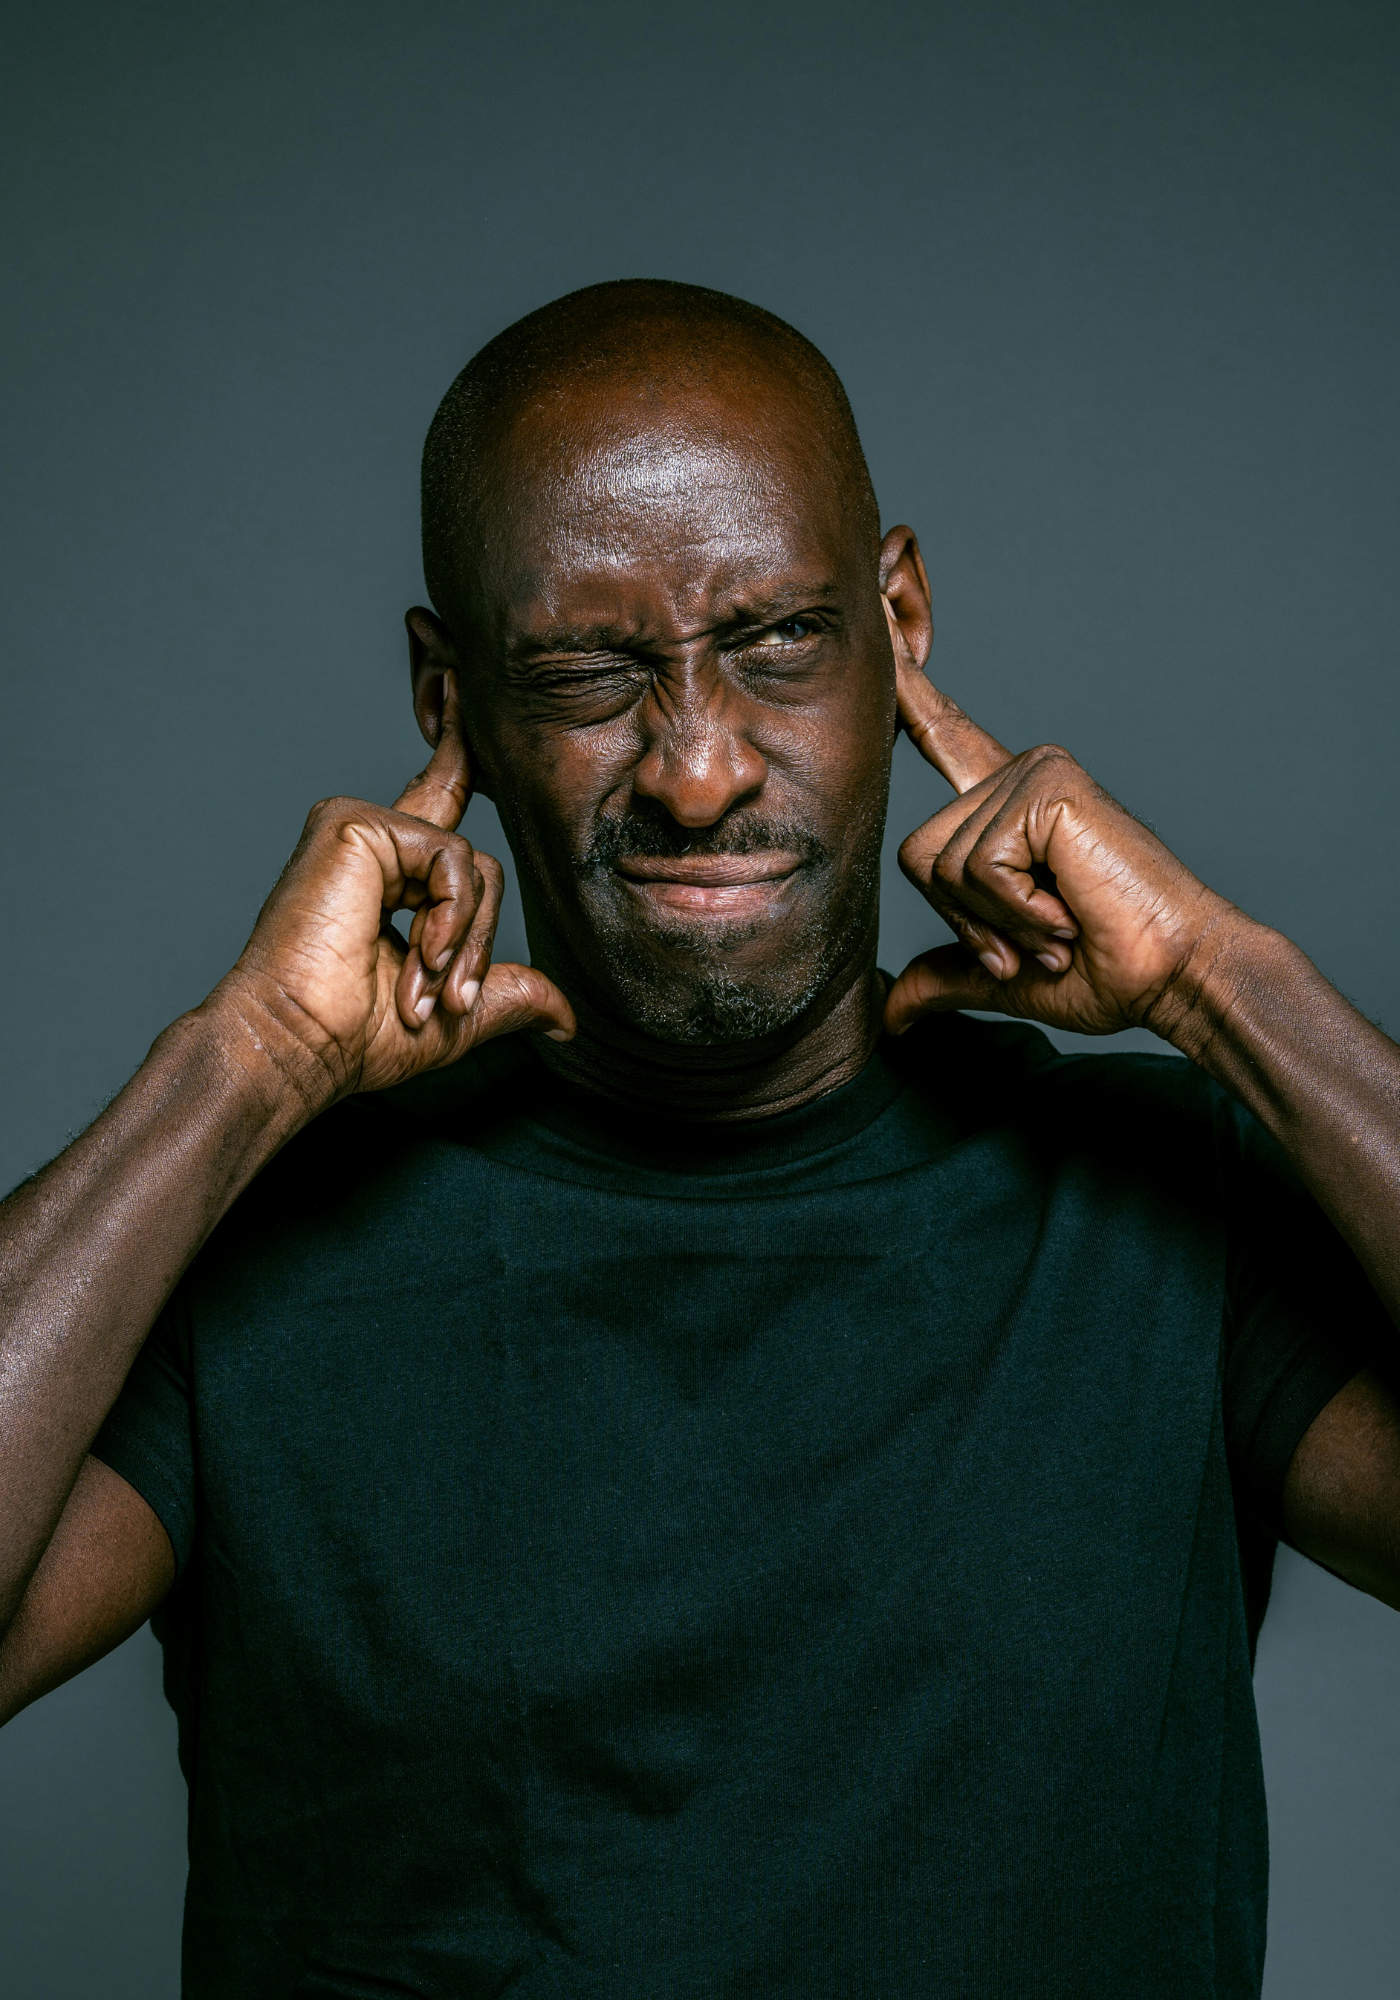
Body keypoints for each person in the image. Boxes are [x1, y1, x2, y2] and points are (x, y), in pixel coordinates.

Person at [1, 279, 1397, 1999]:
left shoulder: (1172, 1202)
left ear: (901, 617)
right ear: (451, 705)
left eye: (779, 641)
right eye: (588, 672)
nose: (695, 768)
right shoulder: (246, 1241)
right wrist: (239, 1064)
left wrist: (1222, 979)